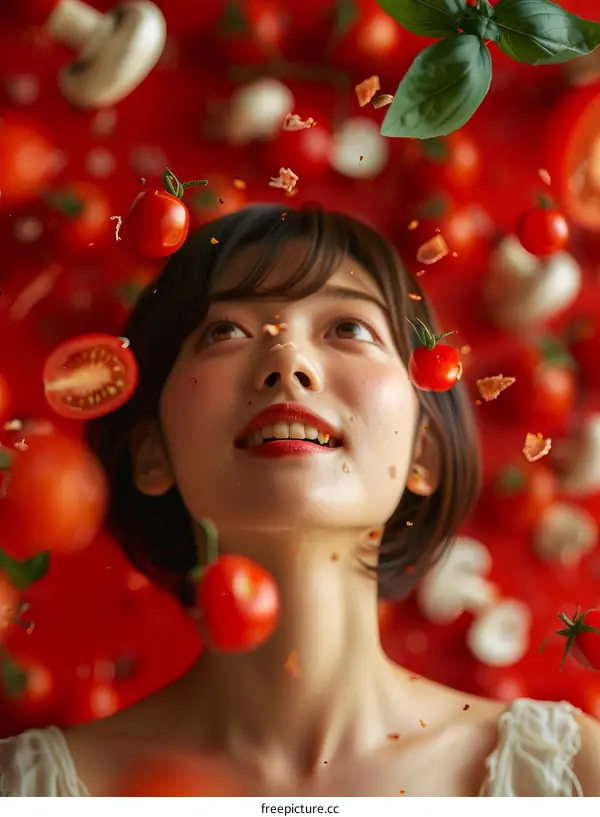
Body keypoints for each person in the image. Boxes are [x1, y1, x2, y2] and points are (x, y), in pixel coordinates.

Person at [0, 204, 599, 796]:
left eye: (348, 328)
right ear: (151, 453)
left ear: (425, 453)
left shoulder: (572, 778)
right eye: (224, 331)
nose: (288, 360)